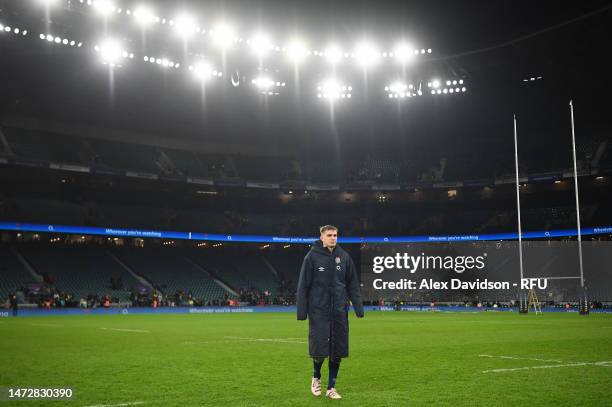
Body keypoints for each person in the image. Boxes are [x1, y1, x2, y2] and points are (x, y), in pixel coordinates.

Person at [297, 225, 364, 400]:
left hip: (339, 312)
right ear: (322, 236)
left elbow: (352, 284)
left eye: (335, 235)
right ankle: (316, 377)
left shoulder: (344, 257)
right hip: (319, 311)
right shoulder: (311, 257)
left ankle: (331, 387)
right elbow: (303, 285)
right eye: (329, 235)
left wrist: (358, 307)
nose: (333, 238)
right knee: (319, 351)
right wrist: (302, 312)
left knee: (338, 351)